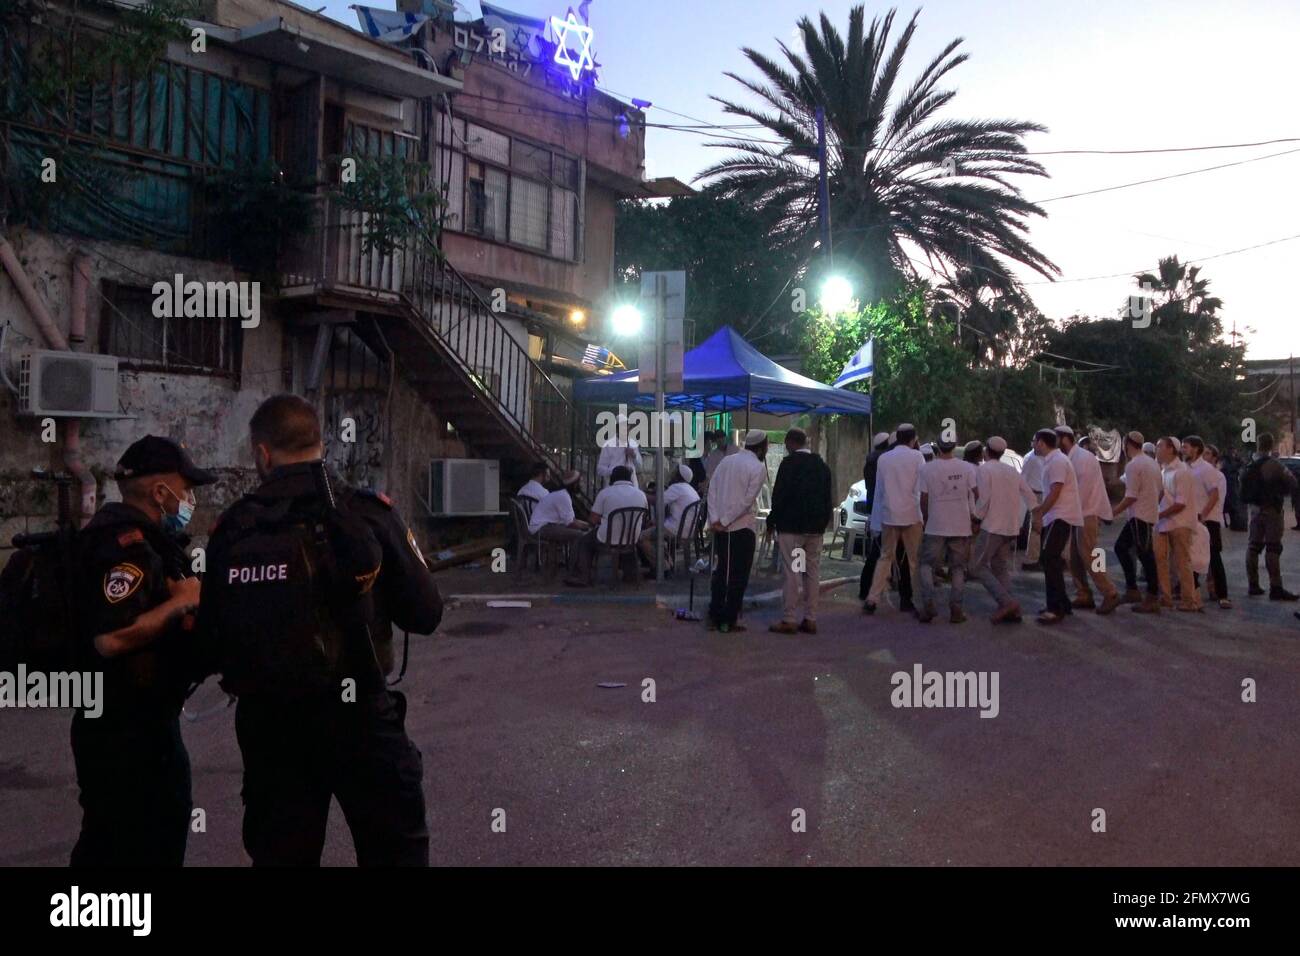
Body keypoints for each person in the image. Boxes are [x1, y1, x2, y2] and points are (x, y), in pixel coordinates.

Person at [200, 394, 442, 866]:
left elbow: (212, 638)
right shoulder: (367, 511)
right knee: (396, 853)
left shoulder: (235, 525)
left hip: (271, 726)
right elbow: (426, 615)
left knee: (282, 856)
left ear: (262, 453)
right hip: (363, 717)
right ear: (321, 444)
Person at [70, 436, 212, 867]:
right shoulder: (126, 546)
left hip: (127, 722)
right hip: (129, 728)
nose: (188, 500)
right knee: (139, 842)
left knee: (110, 839)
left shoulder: (142, 540)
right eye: (185, 490)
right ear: (159, 493)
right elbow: (110, 639)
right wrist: (183, 601)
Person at [767, 428, 833, 634]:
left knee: (793, 571)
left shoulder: (789, 465)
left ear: (789, 443)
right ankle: (810, 617)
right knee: (812, 571)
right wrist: (822, 524)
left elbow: (779, 496)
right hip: (815, 530)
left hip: (793, 529)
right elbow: (827, 498)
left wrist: (772, 521)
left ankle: (789, 618)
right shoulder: (822, 466)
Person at [706, 429, 768, 633]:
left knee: (721, 570)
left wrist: (715, 519)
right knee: (738, 575)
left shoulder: (727, 461)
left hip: (722, 527)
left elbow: (712, 490)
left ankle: (715, 615)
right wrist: (723, 520)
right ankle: (728, 620)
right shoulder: (758, 467)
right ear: (761, 447)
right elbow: (746, 502)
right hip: (741, 528)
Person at [972, 437, 1037, 623]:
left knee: (976, 566)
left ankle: (1007, 602)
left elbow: (984, 499)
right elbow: (1030, 495)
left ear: (986, 451)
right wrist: (1036, 514)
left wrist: (976, 518)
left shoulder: (984, 470)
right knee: (1000, 566)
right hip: (1010, 526)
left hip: (992, 526)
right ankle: (1011, 608)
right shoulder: (1011, 471)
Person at [1057, 425, 1120, 614]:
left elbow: (1082, 489)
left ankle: (1110, 592)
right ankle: (1083, 594)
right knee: (1074, 557)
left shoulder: (1083, 458)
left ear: (1064, 438)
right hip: (1078, 513)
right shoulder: (1071, 457)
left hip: (1088, 512)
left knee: (1091, 555)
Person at [864, 424, 925, 615]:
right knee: (914, 560)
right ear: (913, 439)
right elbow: (920, 488)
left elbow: (879, 492)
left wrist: (876, 522)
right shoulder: (917, 457)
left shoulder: (884, 459)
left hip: (888, 515)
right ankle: (918, 601)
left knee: (885, 557)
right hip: (911, 515)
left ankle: (872, 599)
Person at [916, 439, 977, 623]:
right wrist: (975, 518)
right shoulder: (967, 468)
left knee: (926, 564)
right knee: (958, 568)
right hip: (961, 526)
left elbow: (923, 499)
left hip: (936, 525)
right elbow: (977, 493)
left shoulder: (927, 469)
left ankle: (928, 604)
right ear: (955, 446)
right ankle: (956, 609)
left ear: (938, 448)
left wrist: (926, 519)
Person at [1029, 428, 1083, 625]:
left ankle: (1055, 608)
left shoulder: (1058, 462)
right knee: (1051, 559)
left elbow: (1055, 491)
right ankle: (1062, 603)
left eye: (1035, 441)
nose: (1033, 445)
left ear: (1042, 443)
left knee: (1049, 557)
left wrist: (1040, 512)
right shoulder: (1053, 461)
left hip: (1061, 516)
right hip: (1056, 517)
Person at [567, 465, 647, 586]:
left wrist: (603, 520)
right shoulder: (641, 494)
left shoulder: (605, 493)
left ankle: (583, 577)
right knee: (624, 539)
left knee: (584, 541)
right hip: (632, 538)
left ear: (612, 478)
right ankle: (630, 577)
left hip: (607, 539)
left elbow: (592, 520)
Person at [1243, 433, 1299, 600]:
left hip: (1254, 509)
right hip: (1272, 510)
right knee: (1273, 548)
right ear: (1272, 445)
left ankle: (1253, 584)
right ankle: (1276, 587)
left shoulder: (1250, 463)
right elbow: (1293, 483)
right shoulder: (1274, 464)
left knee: (1253, 546)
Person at [1112, 431, 1162, 613]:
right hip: (1147, 514)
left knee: (1145, 555)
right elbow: (1160, 491)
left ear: (1127, 444)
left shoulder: (1133, 465)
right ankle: (1133, 589)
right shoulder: (1153, 464)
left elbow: (1131, 496)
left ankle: (1152, 595)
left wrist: (1113, 512)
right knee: (1124, 548)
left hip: (1139, 516)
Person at [1153, 436, 1202, 612]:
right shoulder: (1163, 471)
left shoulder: (1182, 472)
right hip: (1162, 523)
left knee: (1182, 562)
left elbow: (1181, 503)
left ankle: (1189, 600)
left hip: (1180, 523)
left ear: (1170, 449)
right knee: (1160, 559)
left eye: (1159, 447)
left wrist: (1159, 514)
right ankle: (1165, 597)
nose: (1157, 450)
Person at [1186, 437, 1229, 609]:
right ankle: (1192, 590)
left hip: (1209, 520)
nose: (1206, 456)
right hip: (1194, 518)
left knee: (1213, 557)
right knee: (1193, 555)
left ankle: (1222, 594)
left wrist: (1203, 515)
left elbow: (1216, 497)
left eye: (1209, 453)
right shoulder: (1190, 469)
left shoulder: (1213, 473)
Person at [638, 463, 700, 571]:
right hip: (687, 529)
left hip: (676, 530)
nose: (672, 474)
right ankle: (668, 562)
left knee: (641, 537)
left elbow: (657, 501)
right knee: (654, 532)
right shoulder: (690, 489)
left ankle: (662, 567)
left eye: (674, 472)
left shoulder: (677, 487)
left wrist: (640, 494)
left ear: (678, 476)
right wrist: (656, 522)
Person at [528, 471, 589, 573]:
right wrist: (588, 527)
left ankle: (575, 566)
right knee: (580, 535)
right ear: (574, 484)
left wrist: (588, 524)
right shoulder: (563, 497)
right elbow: (570, 523)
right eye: (580, 482)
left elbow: (571, 519)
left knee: (581, 532)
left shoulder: (562, 495)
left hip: (546, 526)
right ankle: (573, 568)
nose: (582, 485)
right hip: (542, 528)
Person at [857, 431, 892, 602]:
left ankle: (866, 588)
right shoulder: (884, 460)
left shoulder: (870, 461)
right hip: (886, 513)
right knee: (880, 553)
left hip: (874, 511)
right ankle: (870, 590)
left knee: (877, 552)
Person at [596, 413, 642, 487]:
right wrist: (616, 471)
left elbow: (639, 467)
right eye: (622, 426)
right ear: (617, 428)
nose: (625, 429)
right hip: (613, 487)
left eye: (627, 426)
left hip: (631, 487)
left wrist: (634, 456)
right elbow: (600, 470)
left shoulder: (633, 444)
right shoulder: (608, 445)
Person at [1020, 439, 1045, 571]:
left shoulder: (1042, 456)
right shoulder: (1031, 458)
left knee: (1040, 527)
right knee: (1036, 527)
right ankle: (1032, 559)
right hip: (1036, 494)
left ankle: (1036, 557)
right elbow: (1023, 479)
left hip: (1043, 494)